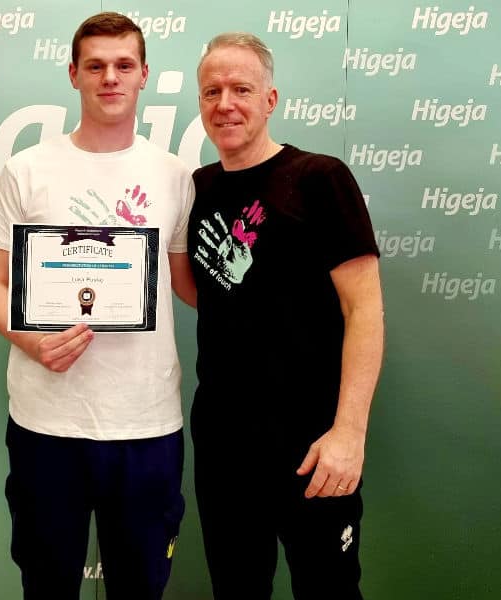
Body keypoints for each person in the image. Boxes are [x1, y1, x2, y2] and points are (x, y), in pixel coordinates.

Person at [0, 12, 195, 600]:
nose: (110, 78)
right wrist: (29, 339)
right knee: (47, 586)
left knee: (141, 588)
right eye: (95, 66)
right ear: (73, 74)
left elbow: (188, 285)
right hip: (48, 424)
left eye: (123, 65)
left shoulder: (175, 175)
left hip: (147, 425)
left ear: (144, 74)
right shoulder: (27, 169)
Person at [187, 32, 384, 599]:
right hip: (224, 444)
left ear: (270, 99)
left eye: (241, 89)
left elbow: (364, 308)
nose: (226, 104)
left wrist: (349, 433)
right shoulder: (200, 187)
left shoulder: (320, 177)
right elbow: (212, 294)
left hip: (312, 445)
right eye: (212, 91)